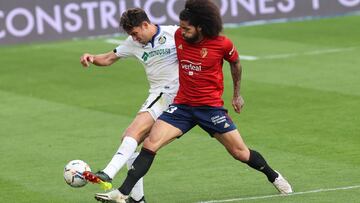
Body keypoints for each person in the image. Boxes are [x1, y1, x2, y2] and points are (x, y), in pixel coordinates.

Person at [94, 0, 293, 202]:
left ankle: (273, 175)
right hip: (182, 107)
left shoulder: (222, 44)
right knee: (150, 143)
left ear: (200, 27)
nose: (181, 31)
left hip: (210, 109)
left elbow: (236, 64)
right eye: (180, 26)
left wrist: (236, 94)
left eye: (186, 28)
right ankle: (124, 193)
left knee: (240, 153)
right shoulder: (178, 36)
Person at [80, 8, 179, 203]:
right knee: (137, 148)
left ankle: (108, 173)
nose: (133, 38)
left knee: (131, 134)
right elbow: (109, 58)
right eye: (130, 35)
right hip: (160, 95)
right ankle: (137, 198)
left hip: (170, 94)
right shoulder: (133, 43)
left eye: (134, 33)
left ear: (145, 24)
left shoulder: (173, 33)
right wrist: (92, 58)